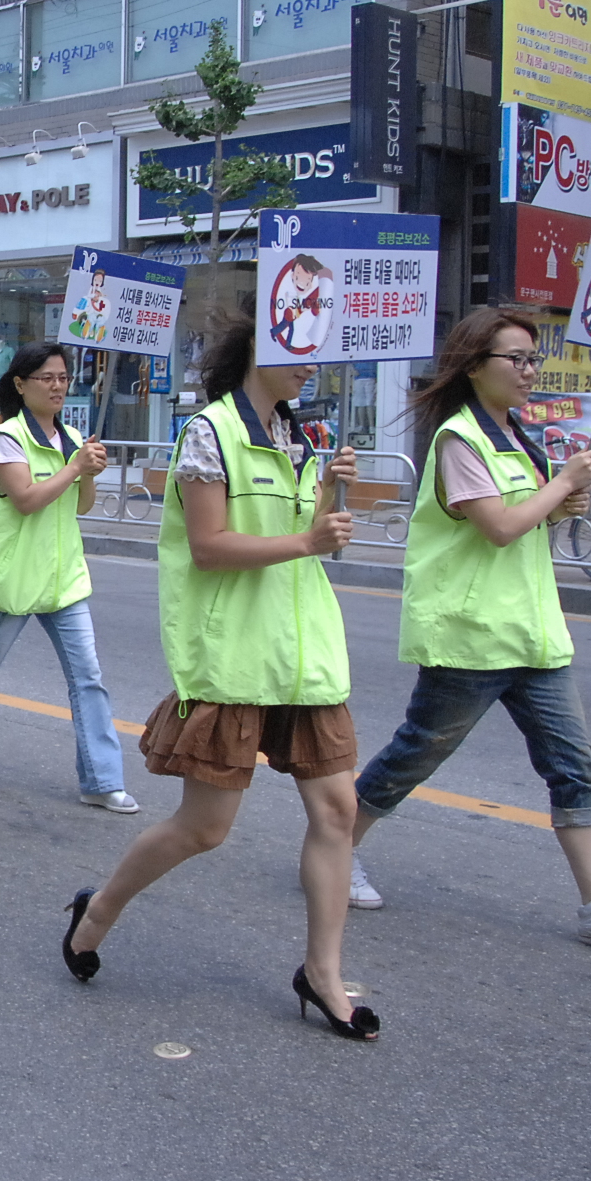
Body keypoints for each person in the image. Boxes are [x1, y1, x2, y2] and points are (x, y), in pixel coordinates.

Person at [60, 315, 377, 1042]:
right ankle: (100, 908)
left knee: (336, 814)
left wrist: (329, 496)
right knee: (205, 828)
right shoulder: (209, 432)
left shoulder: (299, 437)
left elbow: (305, 545)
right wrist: (309, 533)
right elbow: (209, 547)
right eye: (303, 353)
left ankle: (323, 973)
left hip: (306, 656)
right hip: (234, 654)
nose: (314, 368)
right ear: (261, 348)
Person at [350, 308, 591, 951]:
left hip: (532, 634)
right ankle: (336, 850)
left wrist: (562, 500)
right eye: (518, 359)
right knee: (414, 755)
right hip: (472, 636)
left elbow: (527, 521)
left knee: (574, 767)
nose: (531, 372)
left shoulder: (516, 435)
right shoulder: (459, 439)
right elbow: (499, 527)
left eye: (535, 360)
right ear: (477, 365)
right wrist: (560, 485)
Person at [0, 342, 135, 811]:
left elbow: (81, 504)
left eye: (62, 378)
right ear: (20, 384)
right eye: (46, 378)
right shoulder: (5, 438)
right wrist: (76, 466)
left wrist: (88, 472)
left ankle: (101, 779)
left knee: (88, 675)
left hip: (63, 578)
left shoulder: (72, 437)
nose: (57, 386)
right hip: (13, 577)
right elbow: (28, 499)